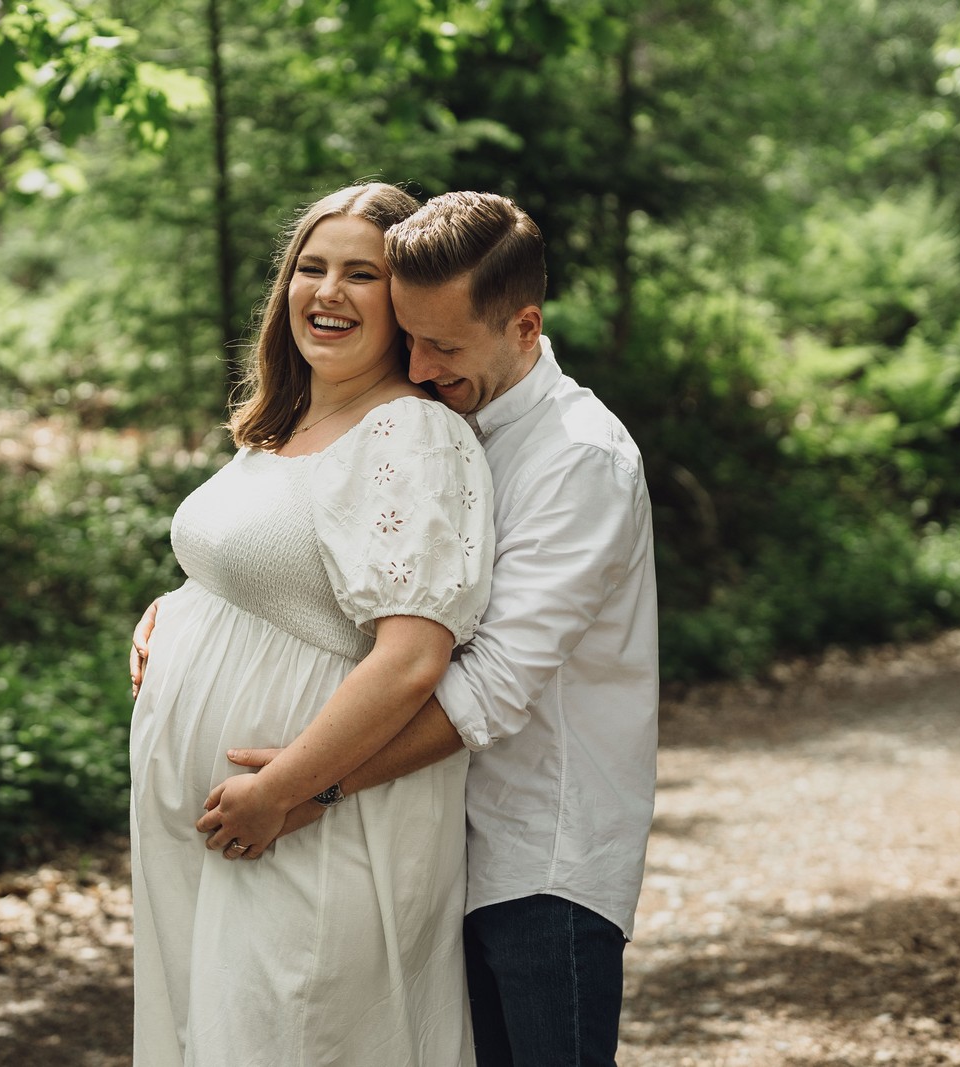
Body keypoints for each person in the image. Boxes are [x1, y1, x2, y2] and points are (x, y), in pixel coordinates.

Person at [141, 190, 659, 1065]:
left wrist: (309, 788)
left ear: (524, 326)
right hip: (445, 837)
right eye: (410, 336)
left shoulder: (579, 458)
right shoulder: (460, 413)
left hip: (540, 855)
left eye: (442, 345)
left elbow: (482, 682)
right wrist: (191, 609)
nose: (418, 364)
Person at [128, 182, 494, 1067]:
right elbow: (269, 572)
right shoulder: (284, 424)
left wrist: (286, 786)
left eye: (360, 275)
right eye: (312, 267)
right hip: (221, 834)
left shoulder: (410, 433)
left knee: (296, 1038)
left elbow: (414, 656)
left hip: (311, 826)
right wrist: (176, 611)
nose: (326, 292)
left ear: (403, 302)